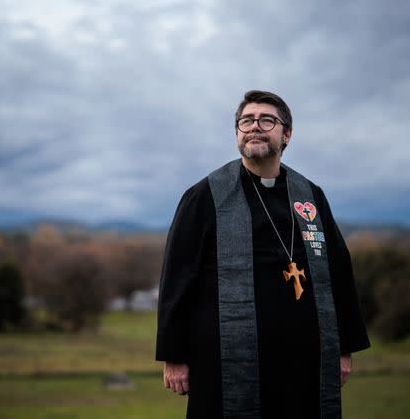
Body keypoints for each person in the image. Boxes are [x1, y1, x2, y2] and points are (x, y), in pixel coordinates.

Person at [155, 90, 370, 418]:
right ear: (237, 133)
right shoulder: (205, 196)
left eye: (266, 120)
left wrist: (342, 348)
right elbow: (177, 277)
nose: (254, 126)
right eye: (246, 121)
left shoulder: (310, 197)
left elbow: (338, 273)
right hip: (227, 360)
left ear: (287, 134)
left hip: (303, 361)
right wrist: (174, 354)